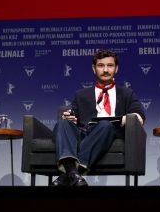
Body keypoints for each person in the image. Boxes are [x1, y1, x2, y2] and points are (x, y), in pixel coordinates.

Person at [52, 49, 146, 187]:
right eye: (101, 66)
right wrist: (71, 118)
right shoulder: (81, 95)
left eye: (110, 65)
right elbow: (74, 118)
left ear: (116, 68)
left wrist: (121, 120)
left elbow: (139, 116)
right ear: (94, 69)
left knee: (105, 124)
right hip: (85, 133)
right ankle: (74, 174)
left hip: (108, 133)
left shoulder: (127, 93)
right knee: (62, 123)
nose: (106, 70)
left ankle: (68, 174)